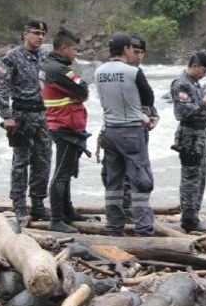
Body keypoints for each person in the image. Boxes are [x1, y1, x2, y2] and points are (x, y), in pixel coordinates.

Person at [94, 32, 157, 237]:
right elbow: (148, 97)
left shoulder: (98, 72)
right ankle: (143, 228)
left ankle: (114, 226)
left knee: (113, 182)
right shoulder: (132, 72)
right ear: (126, 50)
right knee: (140, 180)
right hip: (131, 132)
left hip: (109, 131)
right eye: (132, 49)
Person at [0, 19, 53, 222]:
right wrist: (7, 115)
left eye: (43, 34)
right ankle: (19, 206)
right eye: (36, 33)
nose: (40, 37)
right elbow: (0, 87)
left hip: (44, 115)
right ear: (25, 33)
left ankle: (38, 204)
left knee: (43, 161)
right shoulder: (12, 58)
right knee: (21, 162)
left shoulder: (46, 55)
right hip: (22, 116)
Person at [40, 29, 91, 233]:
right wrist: (81, 91)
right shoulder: (59, 70)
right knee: (62, 172)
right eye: (74, 49)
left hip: (61, 122)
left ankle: (67, 212)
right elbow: (83, 90)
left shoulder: (49, 66)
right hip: (64, 124)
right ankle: (57, 218)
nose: (76, 53)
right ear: (63, 48)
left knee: (66, 171)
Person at [171, 52, 206, 233]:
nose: (204, 75)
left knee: (200, 177)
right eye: (203, 71)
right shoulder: (181, 83)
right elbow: (182, 112)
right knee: (191, 178)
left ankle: (193, 215)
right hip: (189, 136)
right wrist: (203, 103)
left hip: (198, 135)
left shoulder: (192, 83)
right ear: (195, 65)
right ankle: (189, 219)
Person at [120, 35, 159, 219]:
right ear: (126, 51)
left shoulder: (138, 72)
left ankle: (137, 210)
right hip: (125, 128)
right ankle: (126, 211)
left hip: (140, 129)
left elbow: (146, 99)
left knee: (139, 171)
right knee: (126, 172)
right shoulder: (121, 73)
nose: (139, 56)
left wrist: (154, 114)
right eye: (136, 52)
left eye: (142, 53)